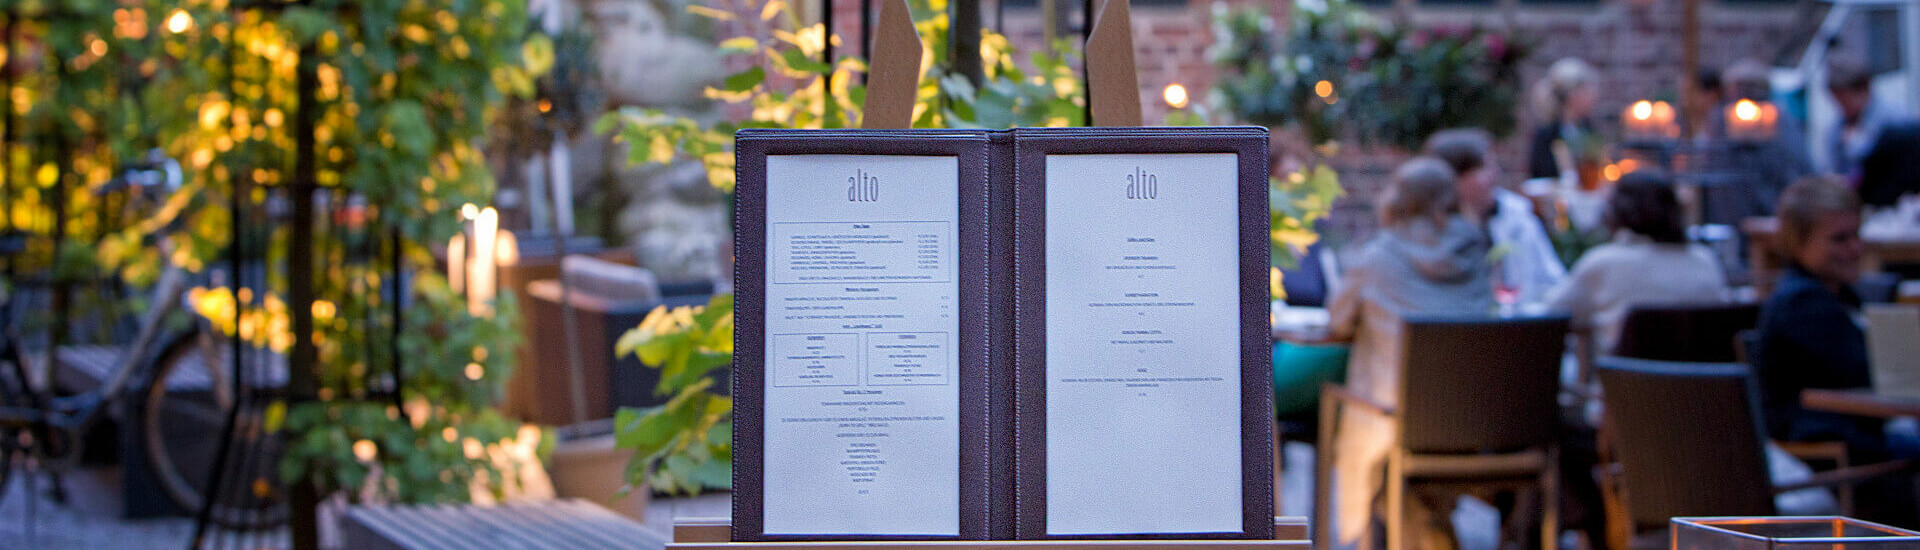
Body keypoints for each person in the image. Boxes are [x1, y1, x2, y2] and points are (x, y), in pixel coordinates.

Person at [1326, 158, 1494, 550]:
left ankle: (1352, 540)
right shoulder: (1474, 251)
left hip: (1392, 417)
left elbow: (1337, 322)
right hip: (1477, 417)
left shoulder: (1376, 258)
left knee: (1354, 424)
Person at [1754, 176, 1919, 523]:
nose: (1855, 249)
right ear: (1797, 243)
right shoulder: (1802, 303)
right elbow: (1872, 372)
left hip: (1853, 440)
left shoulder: (1835, 294)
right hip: (1824, 453)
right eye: (1839, 239)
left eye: (1856, 235)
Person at [1545, 170, 1731, 353]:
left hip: (1626, 382)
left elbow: (1551, 315)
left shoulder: (1605, 263)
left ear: (1616, 213)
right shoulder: (1705, 260)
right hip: (1702, 381)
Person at [1426, 128, 1566, 306]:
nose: (1495, 175)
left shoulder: (1516, 215)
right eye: (1484, 168)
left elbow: (1552, 280)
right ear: (1456, 178)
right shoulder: (1433, 229)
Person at [1824, 60, 1910, 180]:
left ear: (1864, 91)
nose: (1842, 107)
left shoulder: (1895, 119)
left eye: (1846, 100)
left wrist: (1859, 144)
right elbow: (1833, 168)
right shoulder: (1838, 128)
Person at [1527, 58, 1599, 181]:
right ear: (1572, 94)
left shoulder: (1589, 130)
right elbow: (1540, 176)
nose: (1593, 95)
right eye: (1587, 89)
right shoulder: (1546, 135)